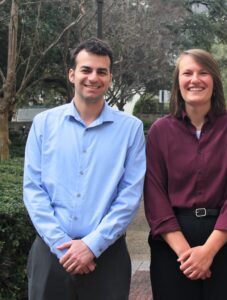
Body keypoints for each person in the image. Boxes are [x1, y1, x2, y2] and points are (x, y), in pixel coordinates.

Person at [23, 37, 146, 300]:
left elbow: (129, 195)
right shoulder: (43, 124)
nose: (93, 77)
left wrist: (92, 245)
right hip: (50, 253)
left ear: (110, 77)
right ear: (71, 74)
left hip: (107, 256)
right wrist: (62, 246)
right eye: (86, 69)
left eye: (101, 71)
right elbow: (33, 190)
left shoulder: (130, 129)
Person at [144, 49, 227, 300]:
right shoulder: (160, 132)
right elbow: (155, 196)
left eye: (203, 73)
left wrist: (208, 251)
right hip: (172, 244)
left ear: (215, 81)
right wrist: (187, 255)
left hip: (226, 241)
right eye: (187, 73)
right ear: (178, 82)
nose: (195, 79)